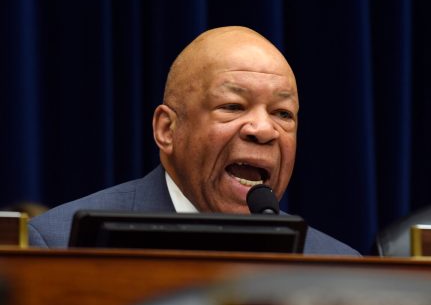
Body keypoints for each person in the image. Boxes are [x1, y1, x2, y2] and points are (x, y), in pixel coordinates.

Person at [29, 26, 358, 255]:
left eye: (283, 113)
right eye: (232, 106)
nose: (263, 129)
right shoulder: (60, 244)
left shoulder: (338, 267)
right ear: (167, 130)